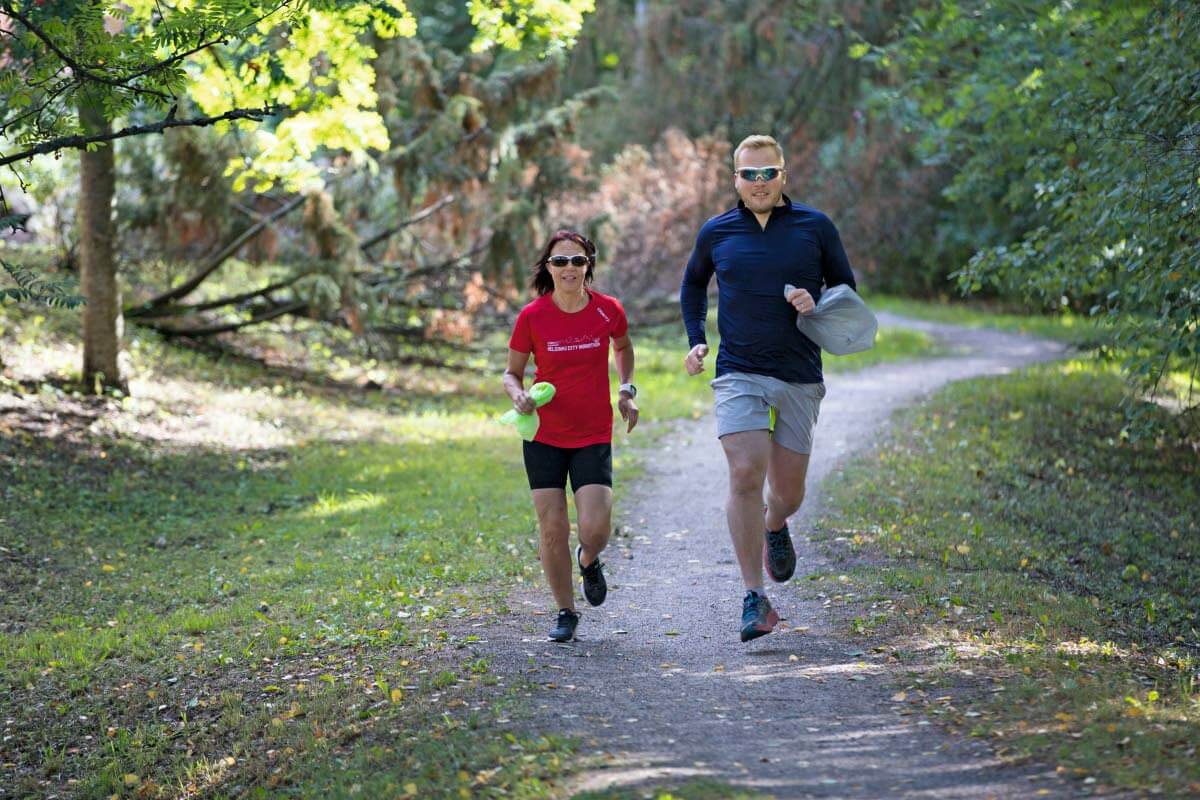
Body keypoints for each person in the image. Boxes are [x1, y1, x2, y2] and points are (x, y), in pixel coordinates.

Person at [680, 134, 857, 642]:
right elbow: (693, 284)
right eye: (749, 174)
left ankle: (775, 525)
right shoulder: (717, 232)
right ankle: (754, 597)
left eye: (769, 173)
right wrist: (696, 340)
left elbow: (847, 291)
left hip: (799, 373)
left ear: (784, 175)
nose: (760, 183)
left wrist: (814, 302)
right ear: (735, 179)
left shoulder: (815, 228)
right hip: (739, 370)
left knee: (788, 493)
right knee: (743, 474)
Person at [504, 229, 639, 642]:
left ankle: (588, 558)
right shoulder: (532, 316)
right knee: (552, 528)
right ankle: (565, 611)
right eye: (560, 261)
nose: (569, 269)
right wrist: (518, 395)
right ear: (548, 267)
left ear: (588, 265)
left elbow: (623, 349)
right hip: (544, 433)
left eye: (577, 261)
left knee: (596, 528)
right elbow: (511, 372)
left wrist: (626, 390)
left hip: (593, 431)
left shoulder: (608, 310)